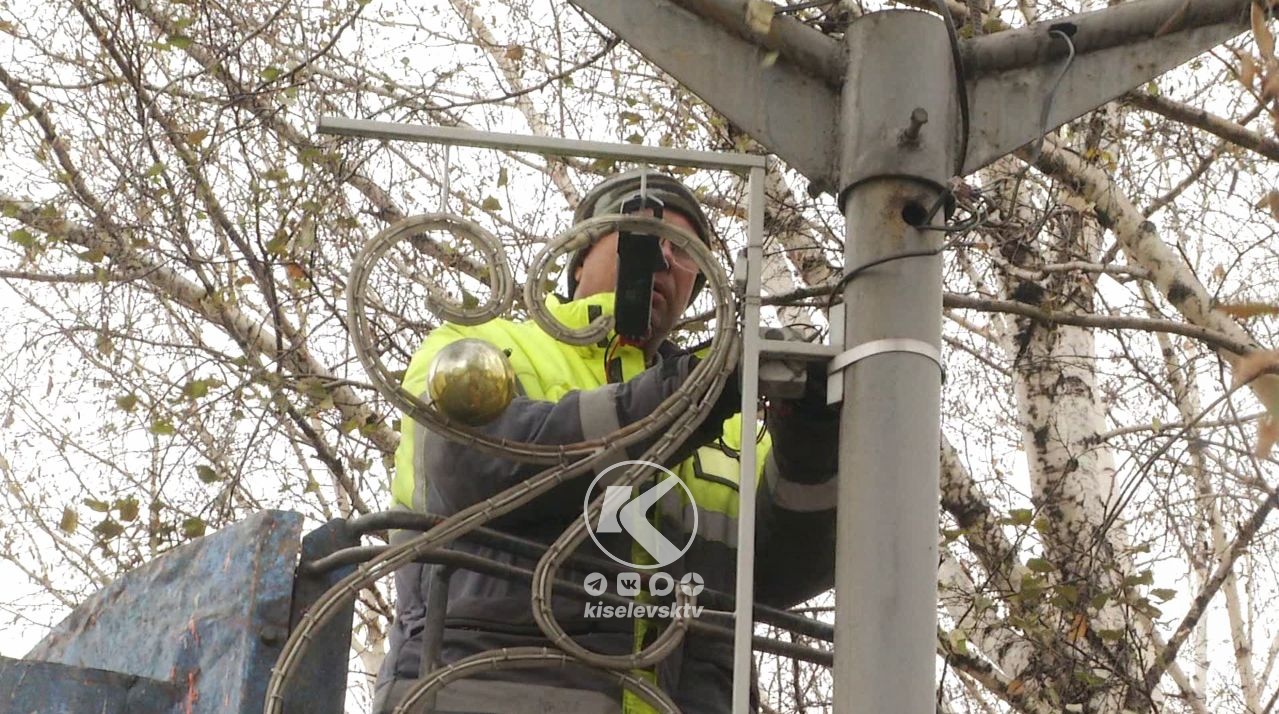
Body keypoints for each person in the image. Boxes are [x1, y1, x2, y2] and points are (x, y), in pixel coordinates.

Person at [373, 169, 839, 714]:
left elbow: (781, 573)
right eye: (645, 234)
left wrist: (808, 437)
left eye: (685, 251)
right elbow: (474, 466)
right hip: (487, 696)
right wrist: (690, 394)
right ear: (579, 257)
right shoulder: (483, 346)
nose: (664, 258)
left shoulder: (736, 429)